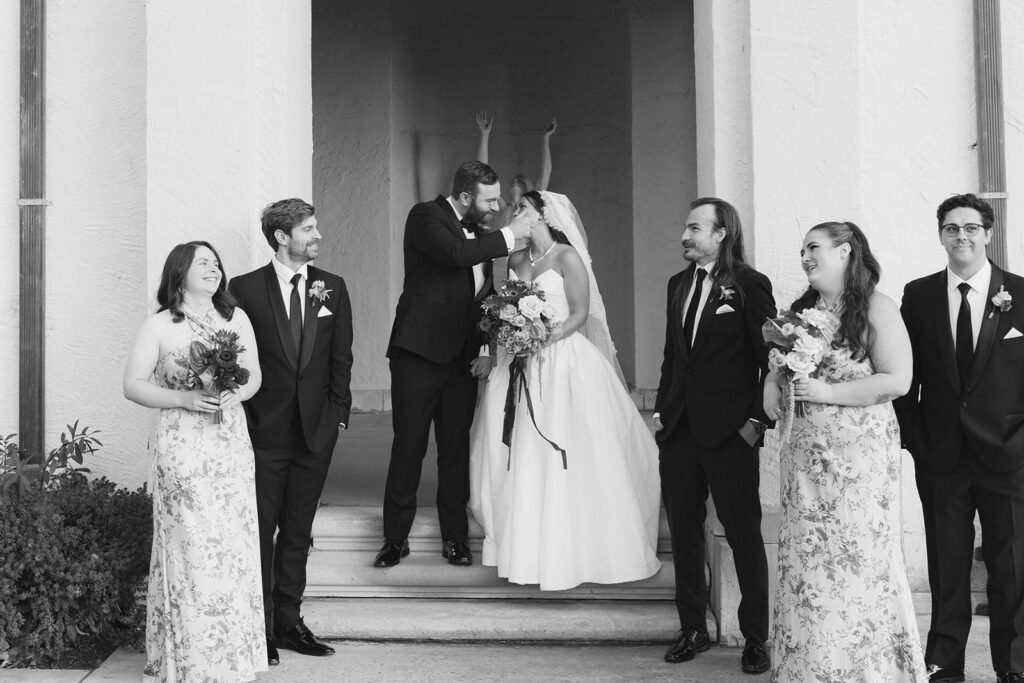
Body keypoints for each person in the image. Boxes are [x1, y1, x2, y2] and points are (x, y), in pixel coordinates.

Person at [468, 190, 661, 589]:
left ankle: (573, 545)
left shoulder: (567, 257)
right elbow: (503, 308)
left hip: (562, 361)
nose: (515, 211)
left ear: (543, 215)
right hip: (518, 362)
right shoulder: (516, 260)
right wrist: (513, 335)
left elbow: (580, 312)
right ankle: (522, 545)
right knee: (518, 449)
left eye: (523, 207)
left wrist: (542, 336)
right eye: (514, 206)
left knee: (566, 446)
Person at [765, 222, 926, 681]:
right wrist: (771, 386)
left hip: (857, 465)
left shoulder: (877, 306)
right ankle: (810, 668)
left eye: (813, 247)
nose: (804, 257)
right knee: (808, 562)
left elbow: (897, 380)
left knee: (857, 560)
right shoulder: (800, 312)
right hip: (803, 461)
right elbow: (779, 368)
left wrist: (823, 392)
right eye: (801, 250)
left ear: (846, 251)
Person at [895, 194, 1024, 683]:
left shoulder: (1022, 293)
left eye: (971, 228)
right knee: (947, 569)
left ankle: (1012, 668)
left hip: (1008, 454)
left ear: (987, 233)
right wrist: (915, 438)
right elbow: (906, 375)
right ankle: (944, 666)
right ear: (941, 234)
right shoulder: (919, 294)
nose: (962, 236)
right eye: (952, 228)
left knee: (1010, 568)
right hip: (942, 456)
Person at [124, 241, 267, 681]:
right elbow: (133, 385)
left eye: (216, 262)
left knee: (231, 545)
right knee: (190, 546)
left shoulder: (235, 318)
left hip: (229, 442)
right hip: (183, 446)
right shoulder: (160, 325)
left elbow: (256, 374)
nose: (214, 268)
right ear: (179, 272)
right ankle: (188, 659)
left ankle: (231, 654)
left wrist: (235, 392)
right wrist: (185, 397)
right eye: (202, 263)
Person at [379, 161, 532, 568]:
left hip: (462, 360)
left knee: (454, 449)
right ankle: (395, 538)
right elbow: (452, 255)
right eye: (489, 199)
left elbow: (483, 299)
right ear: (465, 197)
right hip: (419, 354)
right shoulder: (425, 216)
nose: (496, 205)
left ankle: (455, 539)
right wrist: (510, 235)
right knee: (409, 446)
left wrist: (484, 348)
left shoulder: (480, 236)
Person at [228, 198, 353, 662]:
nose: (317, 235)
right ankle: (258, 629)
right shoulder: (243, 289)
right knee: (260, 532)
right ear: (282, 237)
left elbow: (342, 359)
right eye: (308, 228)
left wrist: (338, 415)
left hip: (316, 433)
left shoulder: (332, 287)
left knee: (298, 532)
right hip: (264, 432)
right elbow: (235, 359)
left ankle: (288, 623)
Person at [653, 197, 774, 674]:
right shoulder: (677, 285)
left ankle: (757, 637)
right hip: (679, 429)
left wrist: (756, 424)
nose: (685, 236)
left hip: (731, 433)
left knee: (743, 533)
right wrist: (662, 413)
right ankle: (693, 629)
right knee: (685, 532)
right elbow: (672, 356)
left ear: (721, 233)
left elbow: (773, 359)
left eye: (694, 228)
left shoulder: (748, 284)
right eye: (686, 228)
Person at [475, 109, 557, 229]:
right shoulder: (501, 206)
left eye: (521, 180)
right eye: (516, 179)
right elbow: (479, 174)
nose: (516, 180)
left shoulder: (532, 205)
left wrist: (545, 139)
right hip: (500, 247)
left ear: (531, 188)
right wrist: (484, 135)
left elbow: (546, 173)